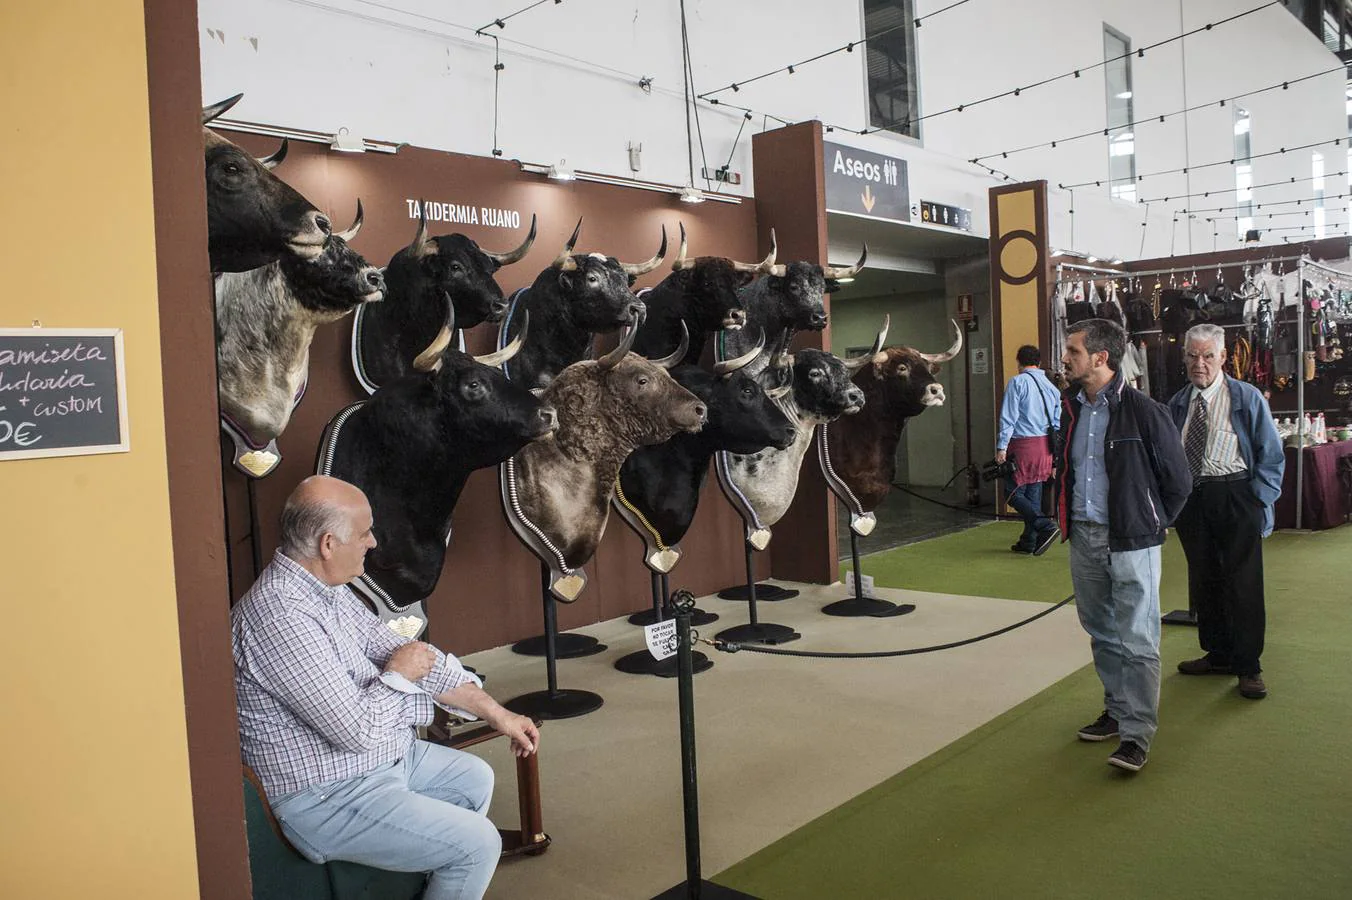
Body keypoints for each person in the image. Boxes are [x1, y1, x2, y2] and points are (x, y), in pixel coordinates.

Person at [232, 475, 540, 900]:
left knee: (473, 778)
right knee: (477, 845)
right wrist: (397, 676)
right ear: (327, 544)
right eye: (363, 533)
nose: (373, 542)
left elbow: (408, 654)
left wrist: (497, 713)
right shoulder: (280, 617)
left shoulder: (325, 589)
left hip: (378, 761)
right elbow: (355, 731)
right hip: (324, 795)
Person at [1058, 319, 1192, 773]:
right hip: (1085, 535)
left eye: (1073, 351)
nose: (1065, 357)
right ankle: (1116, 712)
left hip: (1133, 540)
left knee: (1138, 637)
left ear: (1101, 357)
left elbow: (1178, 482)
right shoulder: (1071, 409)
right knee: (1101, 630)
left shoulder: (1146, 411)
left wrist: (1151, 523)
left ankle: (1137, 734)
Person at [1167, 323, 1284, 700]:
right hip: (1194, 501)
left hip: (1236, 495)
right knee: (1205, 581)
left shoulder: (1246, 397)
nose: (1199, 364)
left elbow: (1271, 453)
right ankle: (1217, 654)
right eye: (1192, 355)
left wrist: (1258, 499)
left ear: (1222, 357)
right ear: (1184, 357)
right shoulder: (1177, 403)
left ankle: (1248, 666)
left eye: (1207, 356)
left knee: (1243, 583)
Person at [996, 344, 1062, 555]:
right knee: (1034, 492)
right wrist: (1056, 457)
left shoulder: (1017, 382)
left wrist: (1002, 447)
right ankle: (1029, 541)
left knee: (1012, 492)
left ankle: (1045, 525)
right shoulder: (1050, 385)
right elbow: (1057, 421)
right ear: (1039, 362)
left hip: (1023, 444)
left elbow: (1009, 416)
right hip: (1045, 445)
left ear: (1019, 362)